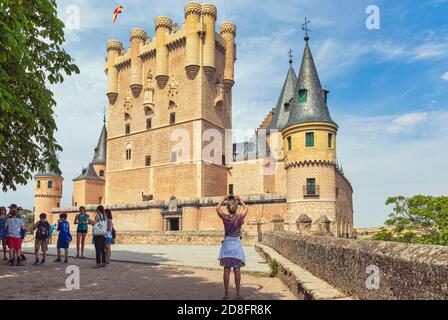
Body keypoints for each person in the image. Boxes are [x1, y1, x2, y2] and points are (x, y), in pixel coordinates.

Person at [216, 195, 248, 300]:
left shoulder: (225, 218)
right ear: (236, 208)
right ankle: (238, 294)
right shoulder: (239, 218)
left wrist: (223, 199)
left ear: (228, 208)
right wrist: (240, 200)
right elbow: (246, 209)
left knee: (226, 269)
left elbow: (217, 208)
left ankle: (226, 294)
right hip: (236, 244)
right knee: (237, 269)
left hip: (227, 244)